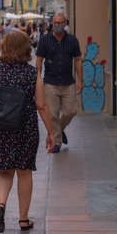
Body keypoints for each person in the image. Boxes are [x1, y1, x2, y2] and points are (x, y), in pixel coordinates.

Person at [0, 30, 55, 233]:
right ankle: (23, 219)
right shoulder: (32, 72)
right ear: (26, 48)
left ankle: (1, 205)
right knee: (24, 172)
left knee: (5, 170)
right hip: (25, 126)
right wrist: (51, 133)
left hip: (1, 126)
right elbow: (42, 105)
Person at [36, 13, 83, 153]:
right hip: (50, 82)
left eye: (60, 23)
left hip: (68, 82)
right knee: (52, 114)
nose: (57, 25)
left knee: (71, 111)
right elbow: (39, 61)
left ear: (65, 23)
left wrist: (80, 80)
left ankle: (59, 130)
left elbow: (78, 60)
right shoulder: (45, 40)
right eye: (55, 23)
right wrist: (37, 80)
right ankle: (57, 142)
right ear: (52, 23)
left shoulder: (72, 40)